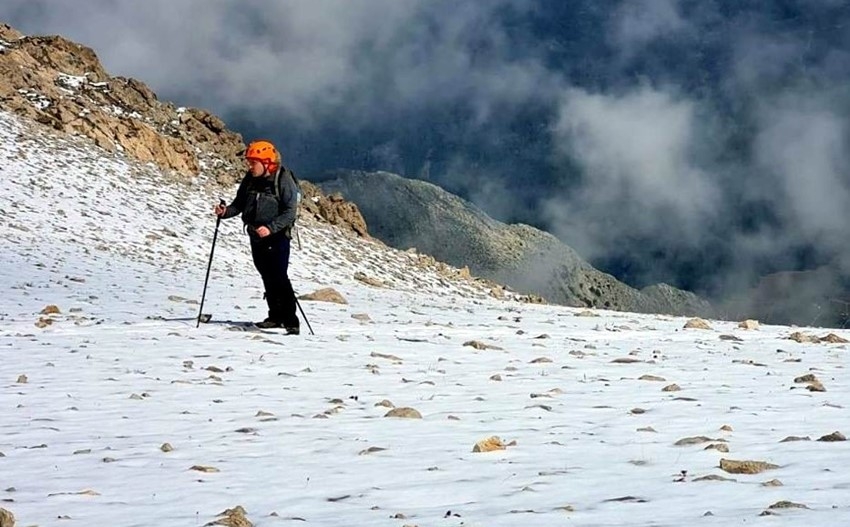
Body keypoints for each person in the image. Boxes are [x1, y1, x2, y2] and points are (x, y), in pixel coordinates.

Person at [214, 140, 301, 333]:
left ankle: (291, 321)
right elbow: (239, 204)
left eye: (254, 162)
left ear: (267, 162)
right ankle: (275, 316)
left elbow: (290, 212)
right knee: (267, 275)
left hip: (277, 237)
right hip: (256, 235)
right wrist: (225, 212)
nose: (250, 166)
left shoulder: (283, 180)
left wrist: (270, 228)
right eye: (250, 162)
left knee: (279, 276)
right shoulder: (250, 179)